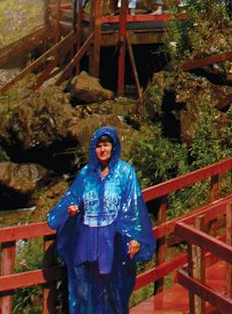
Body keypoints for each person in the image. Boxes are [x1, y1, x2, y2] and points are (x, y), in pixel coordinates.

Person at [48, 126, 154, 314]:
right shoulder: (86, 174)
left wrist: (135, 236)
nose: (102, 150)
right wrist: (71, 209)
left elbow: (133, 206)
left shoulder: (125, 173)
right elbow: (73, 197)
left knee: (114, 289)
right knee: (86, 289)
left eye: (106, 145)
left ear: (113, 147)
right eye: (98, 146)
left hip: (113, 240)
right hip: (87, 239)